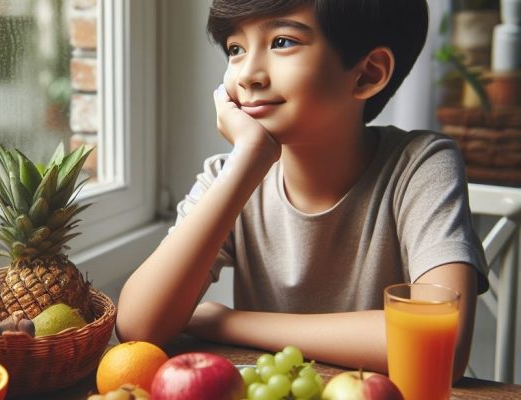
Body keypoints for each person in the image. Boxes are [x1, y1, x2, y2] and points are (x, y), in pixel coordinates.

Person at [116, 0, 488, 381]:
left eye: (281, 42)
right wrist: (248, 161)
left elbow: (440, 344)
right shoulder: (230, 176)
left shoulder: (421, 165)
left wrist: (227, 322)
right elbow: (137, 328)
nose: (247, 75)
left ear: (367, 74)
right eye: (235, 49)